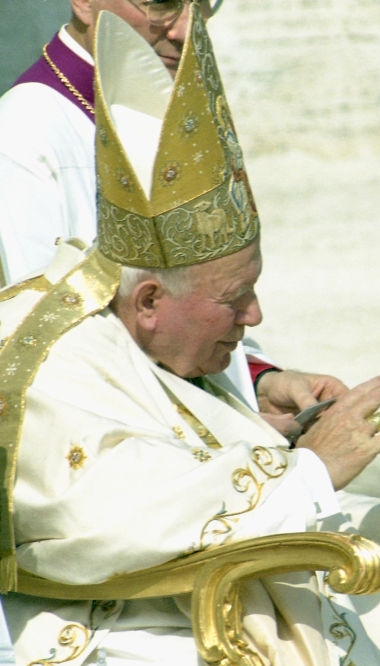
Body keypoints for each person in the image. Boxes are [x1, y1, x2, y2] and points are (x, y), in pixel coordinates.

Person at [0, 9, 380, 664]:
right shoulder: (55, 355)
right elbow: (116, 503)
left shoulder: (156, 343)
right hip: (139, 621)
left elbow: (202, 441)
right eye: (165, 1)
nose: (187, 29)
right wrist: (309, 469)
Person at [0, 0, 330, 441]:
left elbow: (186, 294)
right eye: (163, 3)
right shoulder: (25, 135)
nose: (188, 28)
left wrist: (255, 382)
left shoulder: (154, 105)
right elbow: (49, 358)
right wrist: (223, 426)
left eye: (205, 3)